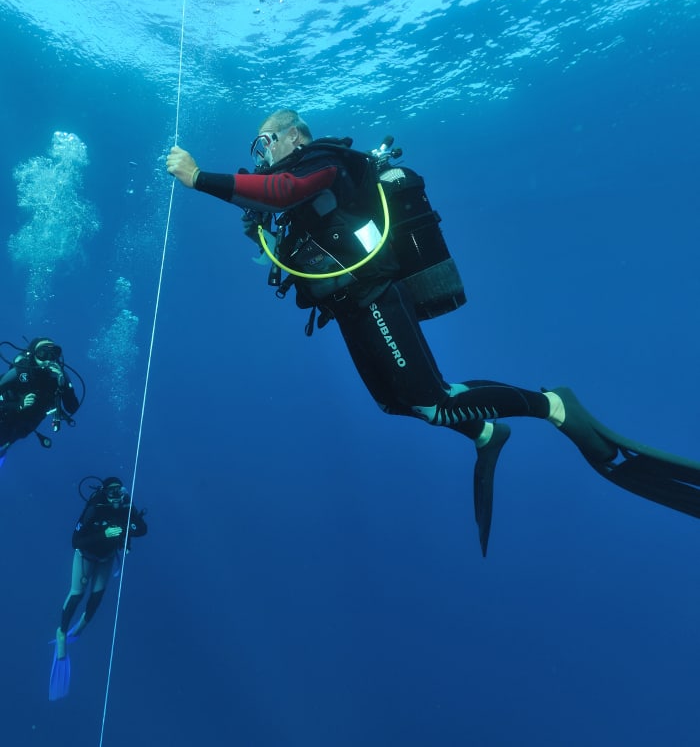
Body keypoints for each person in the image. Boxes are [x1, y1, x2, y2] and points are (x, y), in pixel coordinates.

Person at [166, 108, 700, 556]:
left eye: (264, 143)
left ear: (293, 135)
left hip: (376, 296)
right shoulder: (295, 191)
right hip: (350, 308)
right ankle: (486, 431)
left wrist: (199, 178)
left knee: (435, 400)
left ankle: (554, 406)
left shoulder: (324, 160)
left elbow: (283, 188)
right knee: (397, 404)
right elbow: (280, 206)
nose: (260, 155)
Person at [49, 476, 147, 701]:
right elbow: (76, 541)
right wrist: (104, 534)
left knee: (96, 598)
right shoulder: (95, 507)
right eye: (111, 492)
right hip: (85, 556)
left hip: (105, 558)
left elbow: (142, 529)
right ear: (104, 492)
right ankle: (61, 633)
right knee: (77, 594)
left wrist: (127, 528)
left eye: (119, 491)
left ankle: (79, 629)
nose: (116, 496)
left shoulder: (125, 504)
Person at [0, 337, 80, 460]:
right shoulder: (21, 371)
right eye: (42, 354)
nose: (48, 359)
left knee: (8, 441)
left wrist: (64, 386)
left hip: (24, 429)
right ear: (33, 355)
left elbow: (72, 408)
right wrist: (18, 405)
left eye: (53, 354)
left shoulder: (59, 377)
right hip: (4, 419)